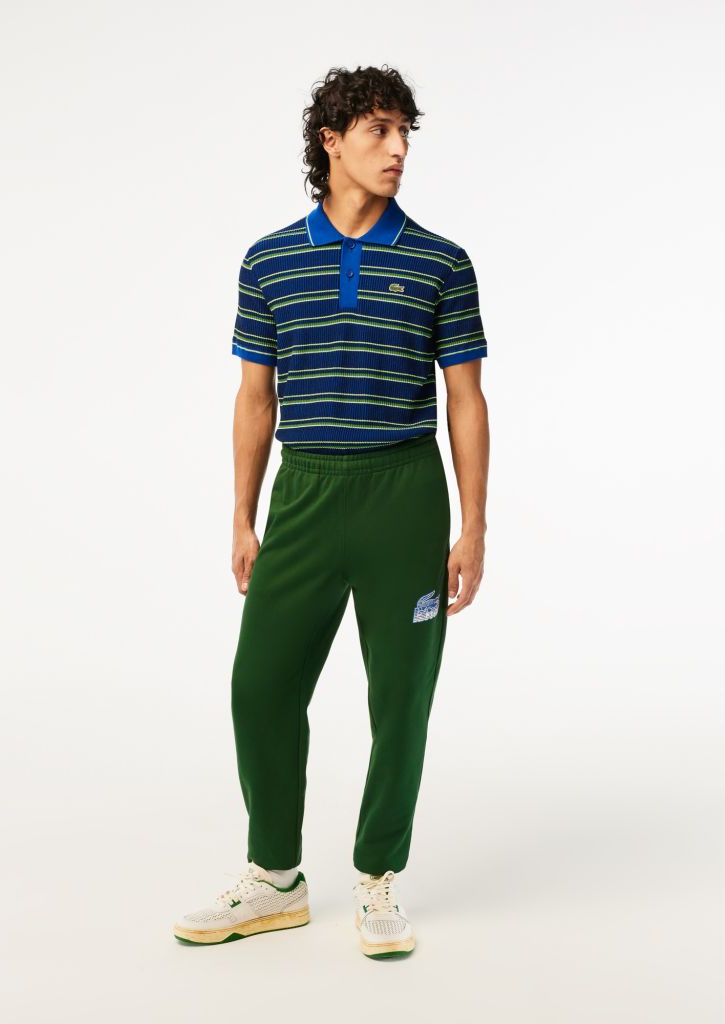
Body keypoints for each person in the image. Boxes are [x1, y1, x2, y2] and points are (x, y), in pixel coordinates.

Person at [174, 64, 489, 959]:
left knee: (402, 697)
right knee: (260, 687)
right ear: (332, 140)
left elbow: (465, 399)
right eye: (380, 130)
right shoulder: (270, 260)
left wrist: (473, 526)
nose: (397, 149)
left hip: (404, 496)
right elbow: (255, 397)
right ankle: (275, 877)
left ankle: (378, 876)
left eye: (404, 133)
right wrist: (242, 515)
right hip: (304, 494)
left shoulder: (440, 261)